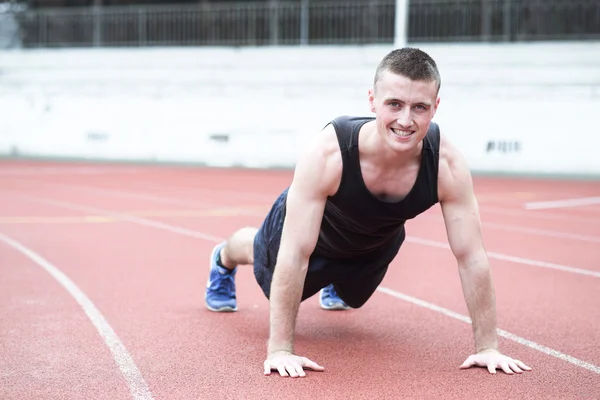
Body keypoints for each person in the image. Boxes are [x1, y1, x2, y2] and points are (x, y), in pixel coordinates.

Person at [204, 47, 532, 378]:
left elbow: (471, 256)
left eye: (419, 107)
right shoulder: (329, 153)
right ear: (372, 100)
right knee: (263, 265)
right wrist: (280, 350)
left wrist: (488, 346)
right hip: (309, 233)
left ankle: (338, 279)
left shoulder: (446, 165)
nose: (406, 120)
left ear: (436, 107)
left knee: (353, 298)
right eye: (394, 104)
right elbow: (294, 253)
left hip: (373, 241)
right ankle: (223, 259)